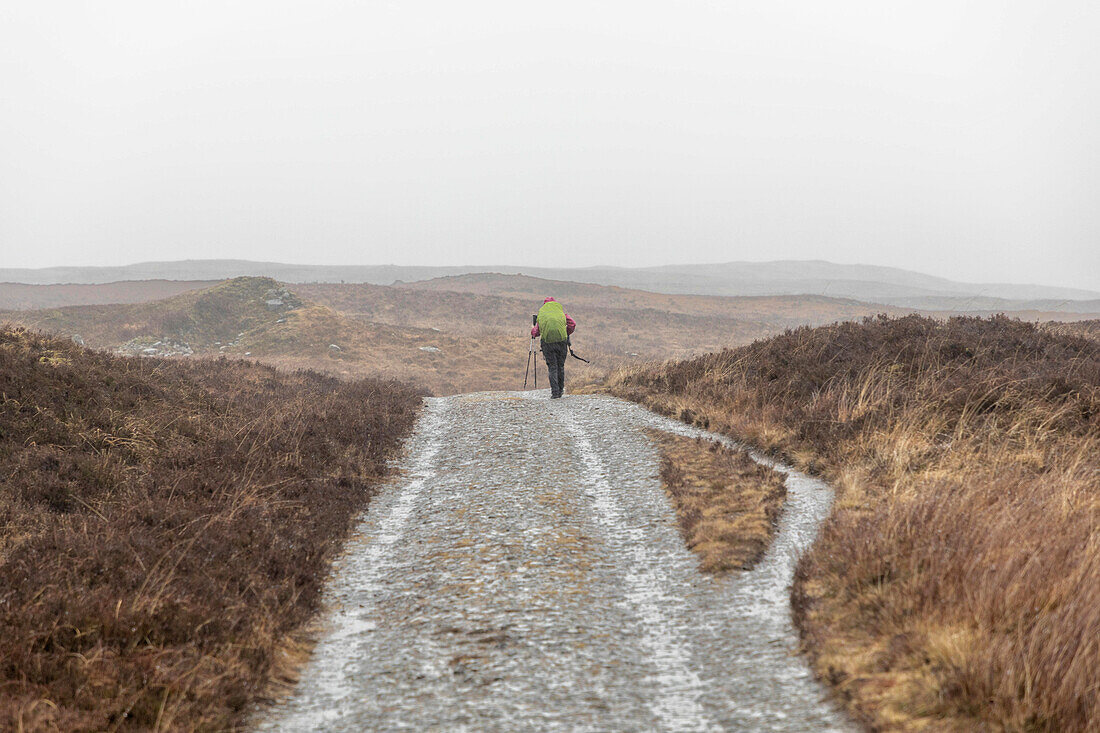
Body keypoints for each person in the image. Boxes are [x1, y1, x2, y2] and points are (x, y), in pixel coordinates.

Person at [530, 297, 576, 399]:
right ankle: (560, 390)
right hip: (562, 342)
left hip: (548, 344)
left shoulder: (542, 315)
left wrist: (532, 330)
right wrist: (566, 333)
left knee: (552, 367)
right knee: (561, 366)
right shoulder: (561, 313)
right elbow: (572, 324)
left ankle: (555, 393)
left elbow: (535, 332)